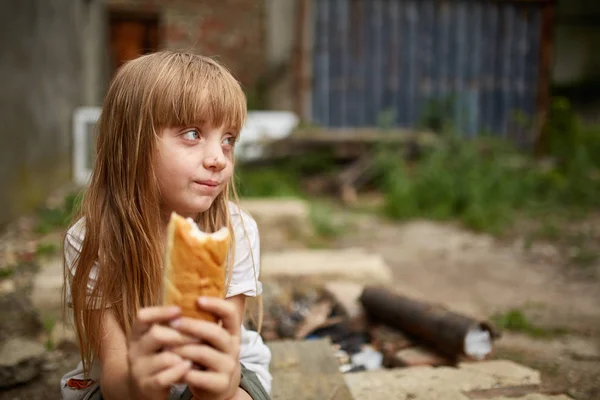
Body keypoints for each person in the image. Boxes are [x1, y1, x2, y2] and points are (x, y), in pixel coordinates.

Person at [60, 50, 272, 400]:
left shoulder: (234, 230)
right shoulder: (90, 238)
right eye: (192, 133)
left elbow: (228, 356)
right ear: (132, 142)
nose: (218, 158)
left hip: (224, 371)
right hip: (130, 372)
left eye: (228, 139)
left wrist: (218, 387)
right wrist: (145, 388)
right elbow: (116, 371)